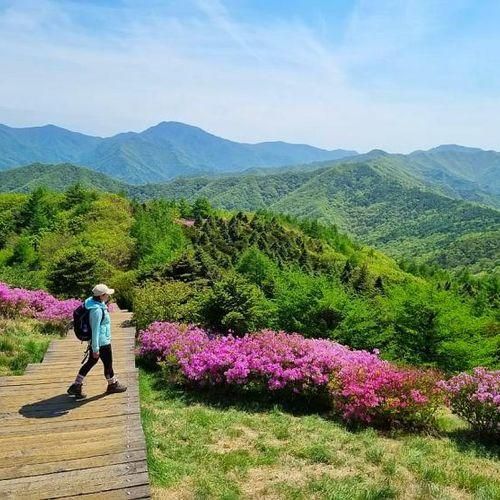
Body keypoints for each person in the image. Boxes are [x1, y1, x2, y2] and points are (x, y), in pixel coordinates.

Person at [67, 284, 127, 400]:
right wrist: (95, 349)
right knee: (108, 364)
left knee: (91, 362)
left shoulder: (92, 302)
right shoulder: (97, 310)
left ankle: (77, 385)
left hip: (99, 341)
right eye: (107, 294)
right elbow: (95, 330)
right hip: (101, 342)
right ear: (102, 295)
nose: (109, 296)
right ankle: (112, 385)